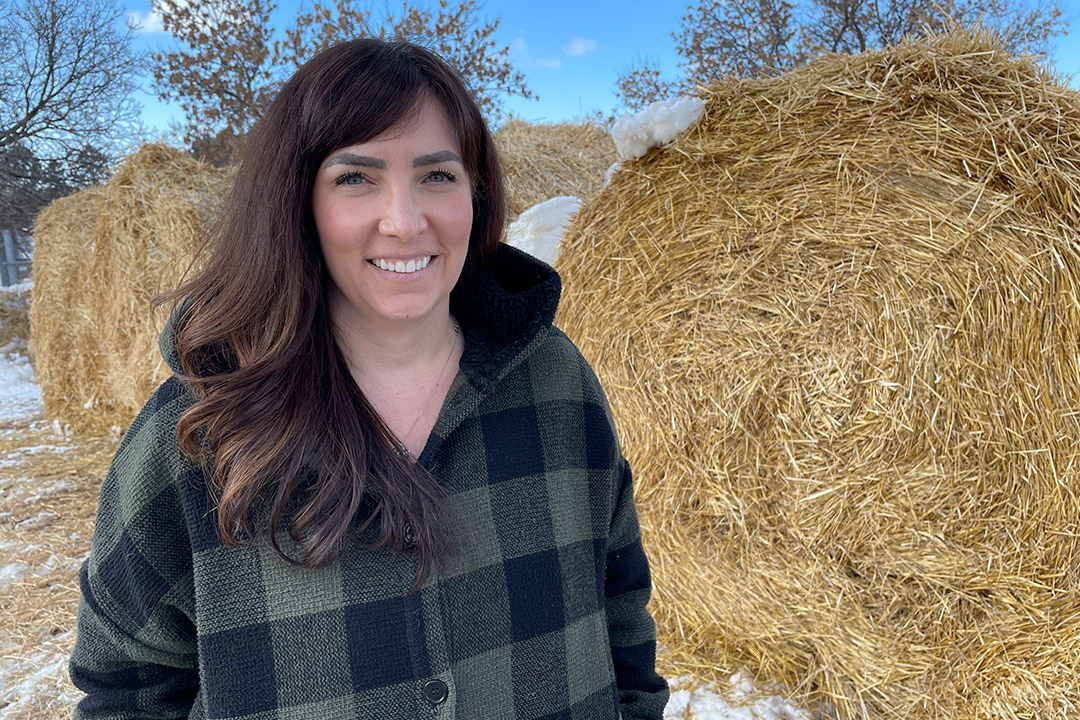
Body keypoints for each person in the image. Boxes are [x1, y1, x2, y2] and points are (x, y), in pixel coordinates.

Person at [69, 38, 668, 719]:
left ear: (476, 192)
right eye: (356, 178)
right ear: (298, 202)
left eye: (437, 176)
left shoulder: (556, 380)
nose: (405, 222)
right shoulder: (200, 430)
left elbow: (620, 608)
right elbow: (127, 690)